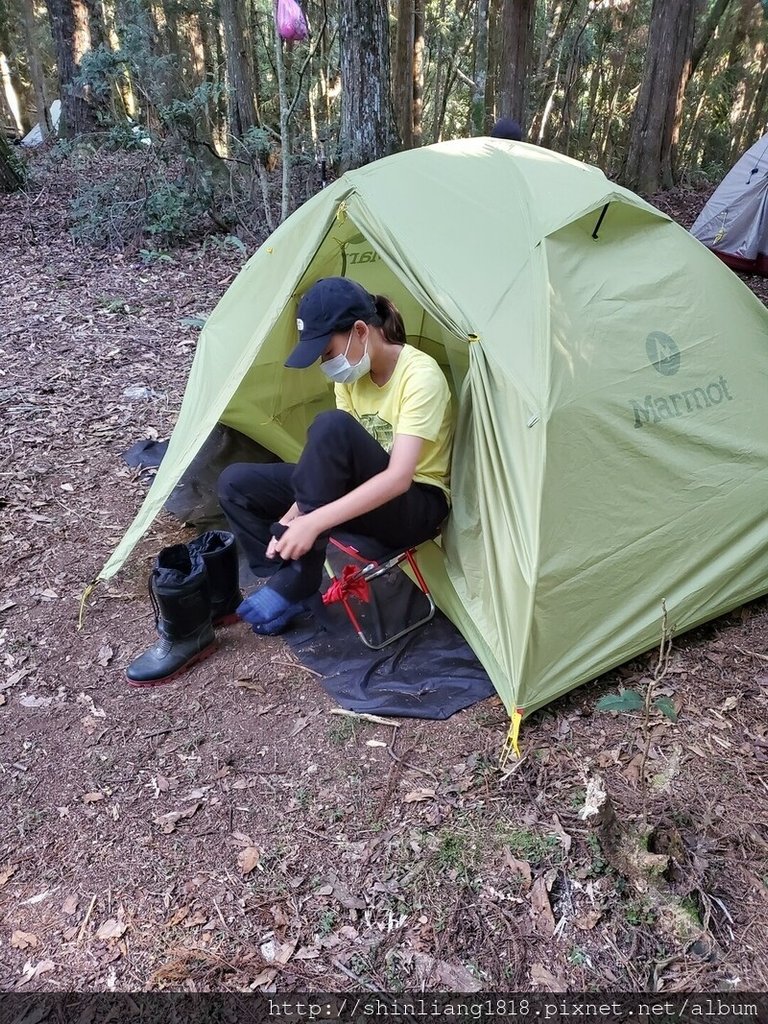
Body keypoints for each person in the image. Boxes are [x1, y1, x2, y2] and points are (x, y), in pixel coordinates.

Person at [218, 277, 454, 635]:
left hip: (415, 504)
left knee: (331, 426)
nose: (326, 365)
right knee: (236, 483)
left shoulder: (420, 376)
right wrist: (290, 522)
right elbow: (330, 471)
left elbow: (398, 477)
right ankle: (287, 577)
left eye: (327, 352)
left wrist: (310, 523)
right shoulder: (350, 379)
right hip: (357, 494)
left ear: (360, 330)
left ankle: (299, 575)